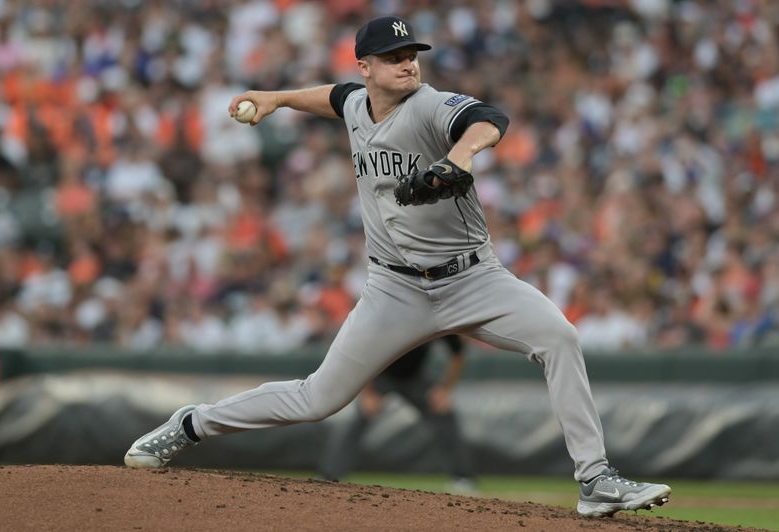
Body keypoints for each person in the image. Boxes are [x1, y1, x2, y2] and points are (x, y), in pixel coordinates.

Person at [124, 15, 671, 518]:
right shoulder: (358, 104)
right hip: (395, 290)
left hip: (474, 279)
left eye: (411, 53)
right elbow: (334, 98)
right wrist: (279, 98)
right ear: (366, 68)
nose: (408, 63)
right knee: (319, 398)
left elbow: (488, 118)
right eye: (393, 56)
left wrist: (461, 156)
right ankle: (191, 424)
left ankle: (595, 479)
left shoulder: (429, 105)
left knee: (559, 337)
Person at [318, 335, 474, 491]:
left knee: (444, 415)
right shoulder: (389, 318)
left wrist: (445, 390)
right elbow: (363, 353)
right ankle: (331, 476)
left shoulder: (437, 318)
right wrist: (367, 393)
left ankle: (462, 478)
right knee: (356, 422)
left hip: (415, 378)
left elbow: (458, 354)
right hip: (380, 376)